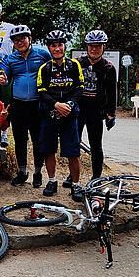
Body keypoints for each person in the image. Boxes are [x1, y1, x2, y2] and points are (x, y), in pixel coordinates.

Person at [62, 30, 117, 188]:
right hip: (78, 110)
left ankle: (96, 177)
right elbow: (68, 86)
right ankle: (72, 175)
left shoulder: (108, 67)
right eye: (91, 46)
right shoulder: (77, 63)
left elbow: (112, 92)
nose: (94, 49)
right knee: (74, 143)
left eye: (98, 46)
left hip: (96, 111)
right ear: (86, 47)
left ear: (103, 47)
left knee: (96, 145)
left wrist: (111, 113)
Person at [0, 25, 51, 188]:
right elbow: (5, 76)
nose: (20, 42)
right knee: (20, 139)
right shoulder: (11, 59)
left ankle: (37, 172)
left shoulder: (42, 54)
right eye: (16, 40)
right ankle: (22, 172)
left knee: (37, 140)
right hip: (18, 105)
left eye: (23, 38)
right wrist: (3, 80)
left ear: (30, 39)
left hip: (37, 104)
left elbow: (53, 73)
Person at [37, 29, 85, 201]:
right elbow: (41, 91)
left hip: (70, 114)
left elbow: (80, 88)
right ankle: (51, 181)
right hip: (50, 113)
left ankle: (76, 185)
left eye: (60, 45)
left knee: (73, 152)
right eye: (53, 46)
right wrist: (56, 105)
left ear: (65, 46)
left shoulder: (74, 65)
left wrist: (69, 104)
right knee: (49, 150)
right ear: (49, 48)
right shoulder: (44, 68)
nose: (57, 49)